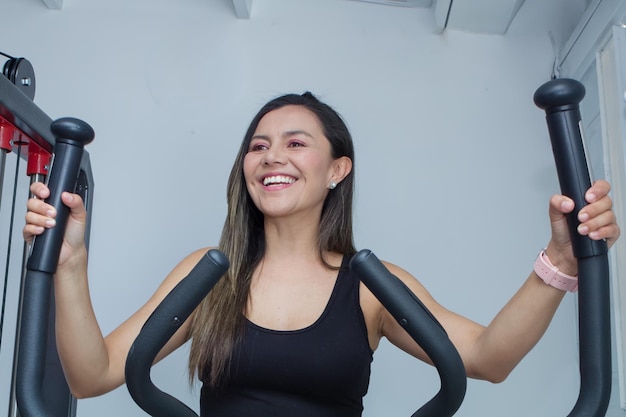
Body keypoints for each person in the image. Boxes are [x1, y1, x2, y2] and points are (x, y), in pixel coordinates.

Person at [24, 92, 621, 417]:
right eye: (257, 146)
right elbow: (92, 374)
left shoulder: (370, 286)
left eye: (295, 143)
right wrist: (70, 264)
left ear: (338, 169)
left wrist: (560, 260)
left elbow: (489, 357)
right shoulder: (206, 276)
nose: (270, 156)